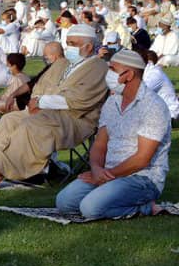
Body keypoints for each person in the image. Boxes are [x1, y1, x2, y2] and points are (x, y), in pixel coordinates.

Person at [0, 24, 109, 187]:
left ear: (89, 46)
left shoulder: (98, 68)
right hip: (44, 111)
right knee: (9, 120)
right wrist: (36, 102)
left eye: (73, 44)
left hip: (76, 119)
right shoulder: (62, 64)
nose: (68, 47)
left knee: (32, 125)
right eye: (68, 43)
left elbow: (80, 100)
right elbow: (39, 87)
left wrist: (41, 102)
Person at [56, 49, 171, 220]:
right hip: (108, 173)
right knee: (64, 203)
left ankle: (146, 207)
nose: (108, 73)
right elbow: (100, 145)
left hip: (142, 178)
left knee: (90, 208)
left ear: (129, 75)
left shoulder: (153, 106)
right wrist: (96, 169)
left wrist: (104, 177)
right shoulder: (113, 101)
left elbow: (142, 159)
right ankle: (112, 198)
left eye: (112, 69)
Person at [143, 50, 179, 120]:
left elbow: (140, 91)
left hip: (169, 114)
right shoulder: (150, 72)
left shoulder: (155, 74)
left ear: (149, 62)